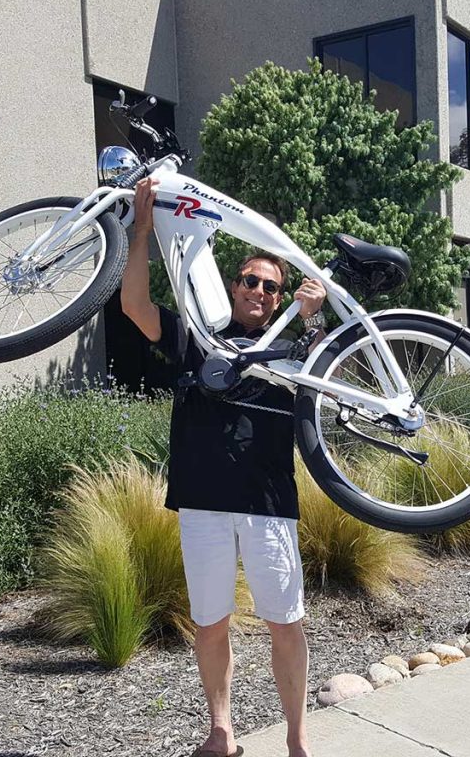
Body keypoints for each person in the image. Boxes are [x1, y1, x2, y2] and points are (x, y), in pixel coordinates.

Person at [120, 177, 324, 757]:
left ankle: (297, 738)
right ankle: (221, 730)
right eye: (250, 280)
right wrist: (141, 230)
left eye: (271, 286)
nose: (258, 290)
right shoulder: (198, 335)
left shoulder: (294, 350)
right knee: (211, 624)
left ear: (280, 299)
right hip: (202, 499)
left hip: (267, 504)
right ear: (233, 285)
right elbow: (134, 305)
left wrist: (311, 319)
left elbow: (330, 376)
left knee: (285, 625)